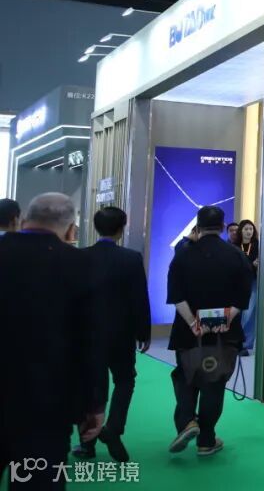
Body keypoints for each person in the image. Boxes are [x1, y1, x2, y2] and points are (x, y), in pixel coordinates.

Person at [0, 193, 104, 489]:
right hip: (47, 405)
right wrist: (93, 403)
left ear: (23, 219)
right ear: (71, 229)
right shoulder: (80, 264)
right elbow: (90, 341)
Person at [166, 205, 252, 458]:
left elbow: (175, 295)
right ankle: (206, 440)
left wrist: (192, 322)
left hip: (188, 331)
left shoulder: (183, 255)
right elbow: (242, 297)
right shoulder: (236, 255)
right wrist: (225, 319)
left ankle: (187, 421)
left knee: (185, 376)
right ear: (224, 227)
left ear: (198, 227)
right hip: (224, 333)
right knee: (214, 382)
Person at [73, 207, 151, 463]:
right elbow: (139, 298)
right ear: (121, 229)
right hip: (121, 333)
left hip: (87, 334)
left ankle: (87, 444)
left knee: (89, 386)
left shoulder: (80, 257)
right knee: (125, 380)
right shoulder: (131, 258)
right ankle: (113, 429)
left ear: (96, 227)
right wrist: (144, 331)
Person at [236, 219, 259, 355]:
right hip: (237, 283)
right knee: (237, 312)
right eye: (246, 229)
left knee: (250, 313)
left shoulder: (257, 245)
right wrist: (251, 264)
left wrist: (252, 265)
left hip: (253, 281)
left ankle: (247, 343)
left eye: (251, 229)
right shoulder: (235, 246)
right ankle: (236, 341)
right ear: (241, 231)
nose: (249, 231)